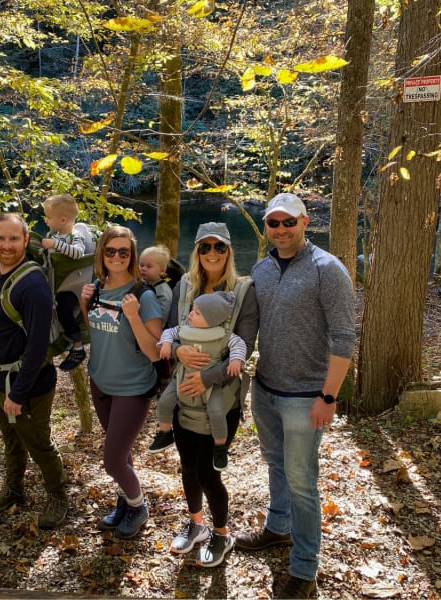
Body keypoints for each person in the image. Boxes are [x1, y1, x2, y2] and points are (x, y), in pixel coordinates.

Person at [237, 193, 356, 598]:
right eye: (274, 223)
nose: (282, 230)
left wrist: (329, 395)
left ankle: (305, 568)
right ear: (267, 227)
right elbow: (249, 329)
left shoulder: (327, 269)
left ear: (305, 222)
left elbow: (344, 336)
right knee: (275, 465)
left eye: (290, 222)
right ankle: (277, 528)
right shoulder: (262, 268)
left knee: (303, 480)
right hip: (265, 388)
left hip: (306, 396)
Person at [0, 212, 69, 530]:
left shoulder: (32, 285)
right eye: (0, 238)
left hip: (30, 383)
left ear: (25, 240)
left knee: (38, 442)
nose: (7, 245)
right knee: (11, 438)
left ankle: (58, 497)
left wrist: (18, 393)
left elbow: (36, 346)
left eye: (14, 239)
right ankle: (14, 490)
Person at [163, 222, 258, 568]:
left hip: (221, 396)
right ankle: (197, 525)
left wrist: (207, 377)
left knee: (208, 471)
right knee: (187, 465)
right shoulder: (185, 286)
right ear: (197, 251)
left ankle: (222, 533)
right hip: (183, 392)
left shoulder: (244, 291)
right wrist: (177, 351)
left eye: (219, 247)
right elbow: (168, 332)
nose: (212, 253)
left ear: (229, 251)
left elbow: (244, 345)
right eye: (205, 247)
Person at [79, 226, 163, 539]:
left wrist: (133, 317)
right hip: (100, 382)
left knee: (113, 461)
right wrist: (82, 302)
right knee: (122, 454)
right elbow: (97, 330)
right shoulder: (96, 285)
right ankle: (126, 504)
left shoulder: (144, 295)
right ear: (102, 253)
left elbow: (154, 352)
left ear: (131, 256)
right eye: (110, 250)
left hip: (133, 387)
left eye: (123, 252)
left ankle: (139, 507)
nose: (116, 256)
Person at [148, 291, 247, 474]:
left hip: (210, 382)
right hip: (182, 376)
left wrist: (235, 360)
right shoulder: (185, 328)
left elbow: (239, 344)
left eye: (197, 312)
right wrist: (168, 345)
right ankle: (164, 433)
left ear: (211, 319)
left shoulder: (223, 335)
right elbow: (169, 332)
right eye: (192, 310)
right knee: (164, 402)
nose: (191, 314)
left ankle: (220, 447)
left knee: (216, 411)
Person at [40, 193, 87, 371]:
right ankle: (53, 339)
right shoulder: (54, 233)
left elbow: (78, 253)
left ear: (62, 219)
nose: (46, 220)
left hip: (71, 284)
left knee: (64, 311)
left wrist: (54, 244)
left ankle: (78, 346)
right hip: (54, 283)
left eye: (48, 217)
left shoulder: (75, 236)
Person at [139, 244, 173, 324]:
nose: (143, 269)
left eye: (149, 266)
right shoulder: (141, 283)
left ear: (162, 270)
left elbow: (164, 313)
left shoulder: (163, 290)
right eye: (141, 265)